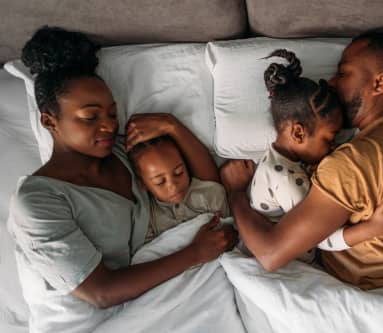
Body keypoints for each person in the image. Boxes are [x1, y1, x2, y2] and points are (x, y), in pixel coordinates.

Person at [7, 26, 237, 332]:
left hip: (151, 294)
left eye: (112, 114)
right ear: (49, 120)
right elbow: (100, 292)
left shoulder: (121, 151)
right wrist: (195, 252)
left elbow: (204, 189)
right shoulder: (38, 202)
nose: (107, 126)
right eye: (91, 117)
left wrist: (171, 126)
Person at [220, 32, 383, 290]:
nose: (332, 83)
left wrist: (235, 193)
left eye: (344, 74)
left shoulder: (352, 163)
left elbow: (271, 254)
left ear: (380, 82)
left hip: (374, 291)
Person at [249, 49, 383, 263]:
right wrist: (373, 229)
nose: (333, 148)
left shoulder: (282, 160)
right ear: (299, 133)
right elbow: (319, 238)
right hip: (291, 263)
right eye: (329, 139)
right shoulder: (286, 179)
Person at [127, 122, 229, 243]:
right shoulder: (148, 219)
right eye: (160, 182)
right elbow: (150, 254)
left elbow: (228, 232)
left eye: (179, 172)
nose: (173, 186)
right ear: (143, 184)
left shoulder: (211, 193)